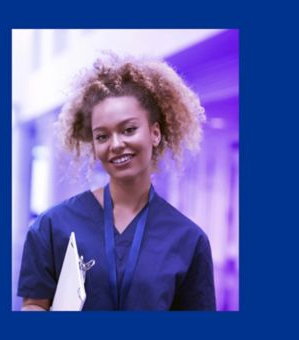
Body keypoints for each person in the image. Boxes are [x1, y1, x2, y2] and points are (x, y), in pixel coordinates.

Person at [17, 54, 216, 311]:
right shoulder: (52, 226)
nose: (116, 144)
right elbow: (34, 306)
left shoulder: (189, 241)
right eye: (102, 136)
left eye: (129, 129)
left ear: (155, 133)